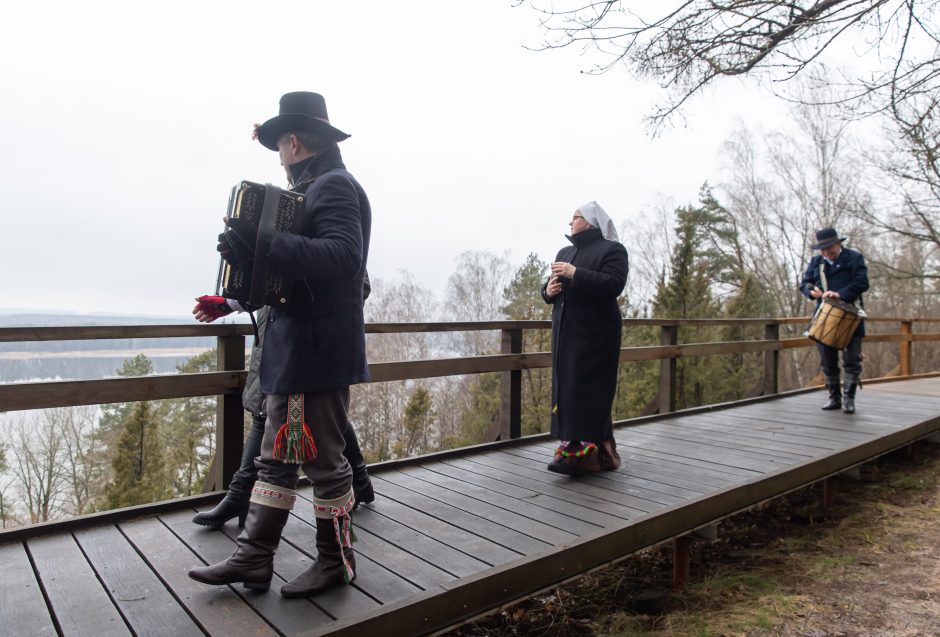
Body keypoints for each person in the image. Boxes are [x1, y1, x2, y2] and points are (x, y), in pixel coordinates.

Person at [188, 91, 371, 598]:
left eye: (278, 146)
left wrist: (264, 240)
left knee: (325, 461)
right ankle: (254, 558)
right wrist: (241, 279)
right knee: (275, 458)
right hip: (297, 348)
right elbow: (288, 279)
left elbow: (343, 258)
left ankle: (336, 563)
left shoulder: (333, 186)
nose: (278, 155)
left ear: (293, 141)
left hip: (317, 349)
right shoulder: (314, 187)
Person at [189, 300, 375, 530]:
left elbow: (354, 287)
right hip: (275, 337)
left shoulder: (339, 262)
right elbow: (269, 288)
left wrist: (307, 312)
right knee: (317, 417)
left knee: (306, 418)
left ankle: (242, 499)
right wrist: (230, 303)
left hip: (306, 345)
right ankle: (359, 480)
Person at [541, 201, 628, 476]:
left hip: (597, 335)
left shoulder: (612, 250)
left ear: (590, 222)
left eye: (575, 217)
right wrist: (548, 291)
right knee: (566, 390)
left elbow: (613, 285)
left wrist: (575, 273)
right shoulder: (565, 251)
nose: (570, 222)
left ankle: (584, 455)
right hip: (566, 335)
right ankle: (575, 450)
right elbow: (551, 289)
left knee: (590, 391)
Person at [800, 227, 870, 414]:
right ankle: (834, 398)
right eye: (823, 249)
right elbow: (805, 284)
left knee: (852, 360)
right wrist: (811, 291)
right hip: (824, 319)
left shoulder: (854, 258)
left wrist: (840, 294)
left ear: (838, 243)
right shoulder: (816, 262)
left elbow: (862, 283)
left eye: (829, 247)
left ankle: (849, 399)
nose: (826, 252)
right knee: (827, 361)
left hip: (851, 316)